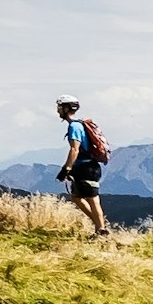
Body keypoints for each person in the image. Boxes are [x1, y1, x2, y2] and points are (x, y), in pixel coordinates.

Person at [54, 98, 111, 235]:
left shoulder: (74, 126)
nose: (58, 110)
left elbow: (75, 149)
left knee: (92, 199)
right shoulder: (80, 124)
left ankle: (101, 230)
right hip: (88, 167)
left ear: (66, 109)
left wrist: (66, 169)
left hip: (86, 168)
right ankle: (99, 226)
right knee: (76, 197)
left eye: (60, 107)